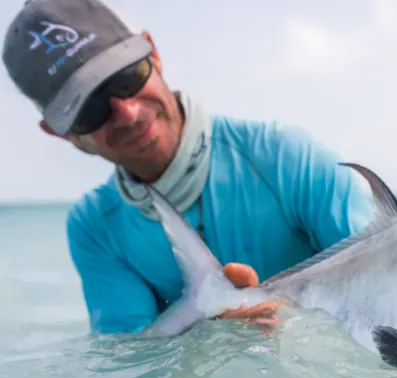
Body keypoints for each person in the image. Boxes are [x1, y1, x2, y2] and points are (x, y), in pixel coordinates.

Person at [2, 0, 374, 335]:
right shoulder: (96, 229)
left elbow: (382, 295)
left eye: (125, 78)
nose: (128, 113)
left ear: (155, 55)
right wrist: (210, 340)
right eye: (89, 109)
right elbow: (130, 369)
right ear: (59, 132)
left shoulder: (292, 161)